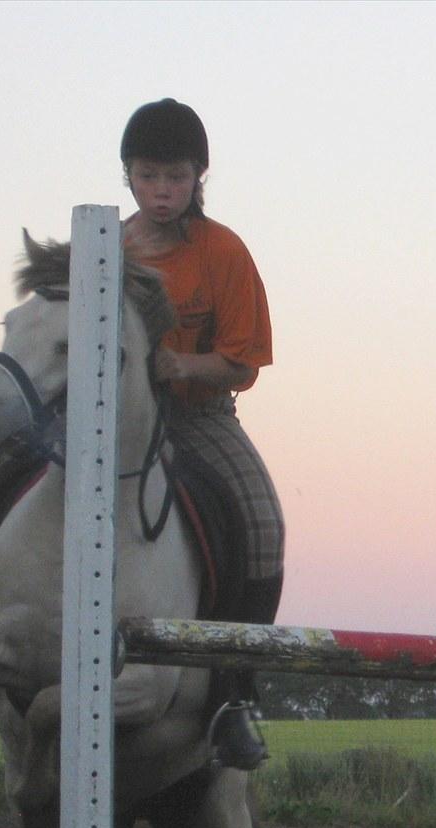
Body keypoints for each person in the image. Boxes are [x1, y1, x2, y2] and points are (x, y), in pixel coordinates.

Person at [120, 98, 285, 769]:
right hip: (114, 418)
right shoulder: (106, 246)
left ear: (199, 178)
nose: (162, 191)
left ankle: (233, 696)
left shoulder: (223, 250)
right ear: (128, 174)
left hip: (198, 415)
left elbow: (243, 361)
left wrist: (180, 363)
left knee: (264, 522)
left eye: (176, 178)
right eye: (149, 176)